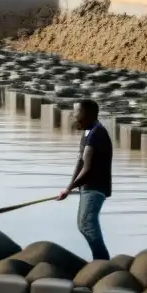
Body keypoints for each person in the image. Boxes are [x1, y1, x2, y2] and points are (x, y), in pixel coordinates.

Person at [57, 99, 113, 260]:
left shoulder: (97, 133)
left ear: (87, 114)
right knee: (84, 225)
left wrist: (69, 189)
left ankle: (101, 261)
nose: (74, 116)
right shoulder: (88, 132)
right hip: (87, 187)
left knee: (87, 224)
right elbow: (80, 162)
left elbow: (87, 169)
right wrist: (69, 187)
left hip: (95, 187)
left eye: (76, 112)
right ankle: (100, 260)